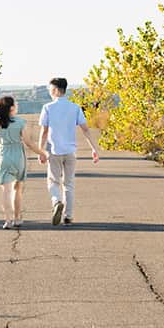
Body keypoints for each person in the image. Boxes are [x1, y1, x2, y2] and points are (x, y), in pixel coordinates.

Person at [38, 77, 99, 226]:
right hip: (70, 151)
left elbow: (44, 131)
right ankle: (68, 216)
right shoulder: (75, 107)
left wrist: (40, 151)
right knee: (69, 184)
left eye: (50, 90)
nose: (49, 92)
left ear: (55, 90)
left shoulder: (48, 108)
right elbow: (85, 129)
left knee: (53, 181)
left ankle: (56, 201)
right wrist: (94, 149)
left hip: (54, 150)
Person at [0, 96, 47, 229]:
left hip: (2, 156)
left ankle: (7, 220)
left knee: (6, 191)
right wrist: (43, 153)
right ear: (12, 108)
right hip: (18, 157)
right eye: (16, 104)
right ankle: (17, 218)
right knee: (18, 189)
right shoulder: (20, 122)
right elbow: (29, 143)